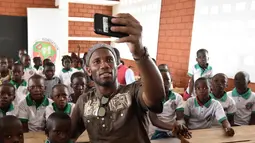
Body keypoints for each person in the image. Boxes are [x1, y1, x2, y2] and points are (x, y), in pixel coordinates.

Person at [71, 13, 165, 143]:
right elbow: (68, 135)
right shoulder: (84, 101)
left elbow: (156, 96)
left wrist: (139, 51)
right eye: (97, 62)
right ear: (88, 70)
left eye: (109, 60)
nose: (104, 65)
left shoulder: (133, 91)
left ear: (116, 65)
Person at [148, 64, 190, 140]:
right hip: (155, 132)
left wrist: (180, 124)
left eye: (167, 80)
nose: (164, 83)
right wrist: (174, 127)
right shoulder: (151, 97)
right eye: (160, 80)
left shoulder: (177, 98)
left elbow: (180, 118)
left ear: (171, 81)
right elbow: (155, 121)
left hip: (172, 132)